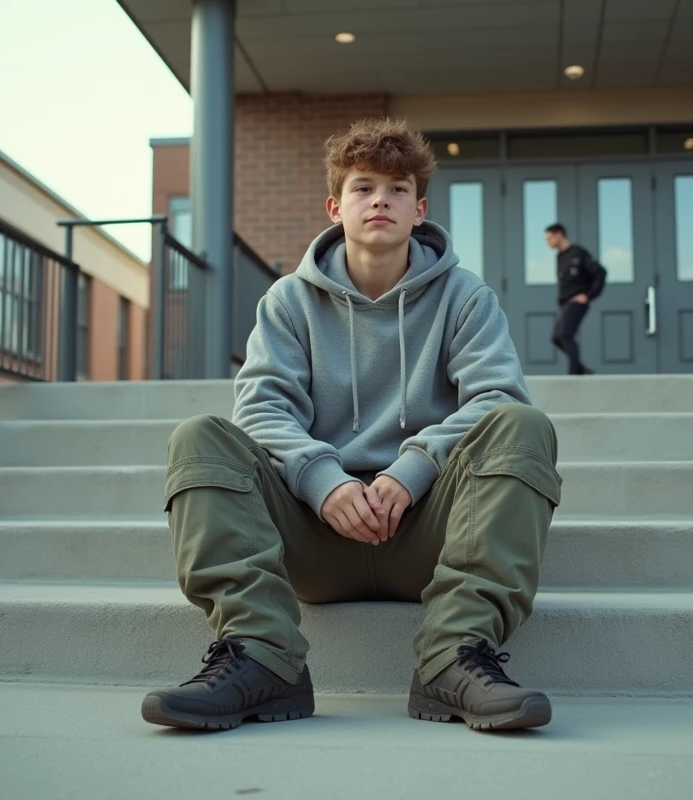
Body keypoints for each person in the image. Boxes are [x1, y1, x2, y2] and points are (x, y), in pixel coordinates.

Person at [143, 118, 562, 733]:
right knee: (200, 437)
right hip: (315, 536)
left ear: (419, 210)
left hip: (429, 533)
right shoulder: (288, 300)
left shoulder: (465, 297)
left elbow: (494, 397)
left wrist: (413, 470)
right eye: (364, 188)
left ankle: (453, 657)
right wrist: (325, 480)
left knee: (522, 425)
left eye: (397, 190)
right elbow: (261, 408)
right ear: (336, 207)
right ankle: (264, 658)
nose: (380, 202)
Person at [545, 223, 607, 375]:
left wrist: (588, 295)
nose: (548, 242)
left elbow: (600, 272)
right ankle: (581, 369)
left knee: (565, 334)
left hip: (576, 302)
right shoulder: (560, 256)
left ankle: (573, 374)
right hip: (565, 303)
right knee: (556, 337)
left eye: (549, 238)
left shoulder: (578, 253)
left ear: (559, 235)